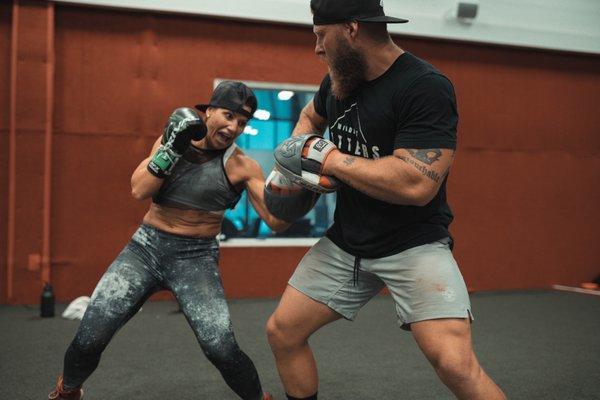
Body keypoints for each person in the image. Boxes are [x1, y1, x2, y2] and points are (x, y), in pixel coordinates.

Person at [265, 1, 506, 399]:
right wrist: (299, 158)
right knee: (283, 333)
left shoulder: (424, 86)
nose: (317, 48)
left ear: (351, 29)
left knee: (455, 365)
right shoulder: (339, 81)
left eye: (321, 36)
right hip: (348, 242)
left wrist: (330, 159)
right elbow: (310, 117)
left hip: (413, 244)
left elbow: (416, 183)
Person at [48, 81, 288, 400]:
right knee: (92, 333)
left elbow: (274, 219)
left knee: (220, 345)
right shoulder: (172, 139)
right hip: (146, 249)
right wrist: (171, 149)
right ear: (210, 110)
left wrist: (305, 189)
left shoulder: (242, 166)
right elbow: (139, 190)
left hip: (196, 258)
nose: (233, 127)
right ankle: (67, 391)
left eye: (242, 123)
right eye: (228, 116)